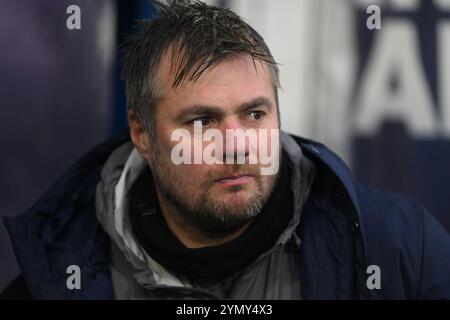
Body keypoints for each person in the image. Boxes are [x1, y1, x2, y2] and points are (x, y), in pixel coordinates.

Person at [2, 0, 450, 300]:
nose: (237, 146)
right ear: (141, 132)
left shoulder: (398, 250)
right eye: (202, 121)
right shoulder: (57, 275)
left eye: (255, 115)